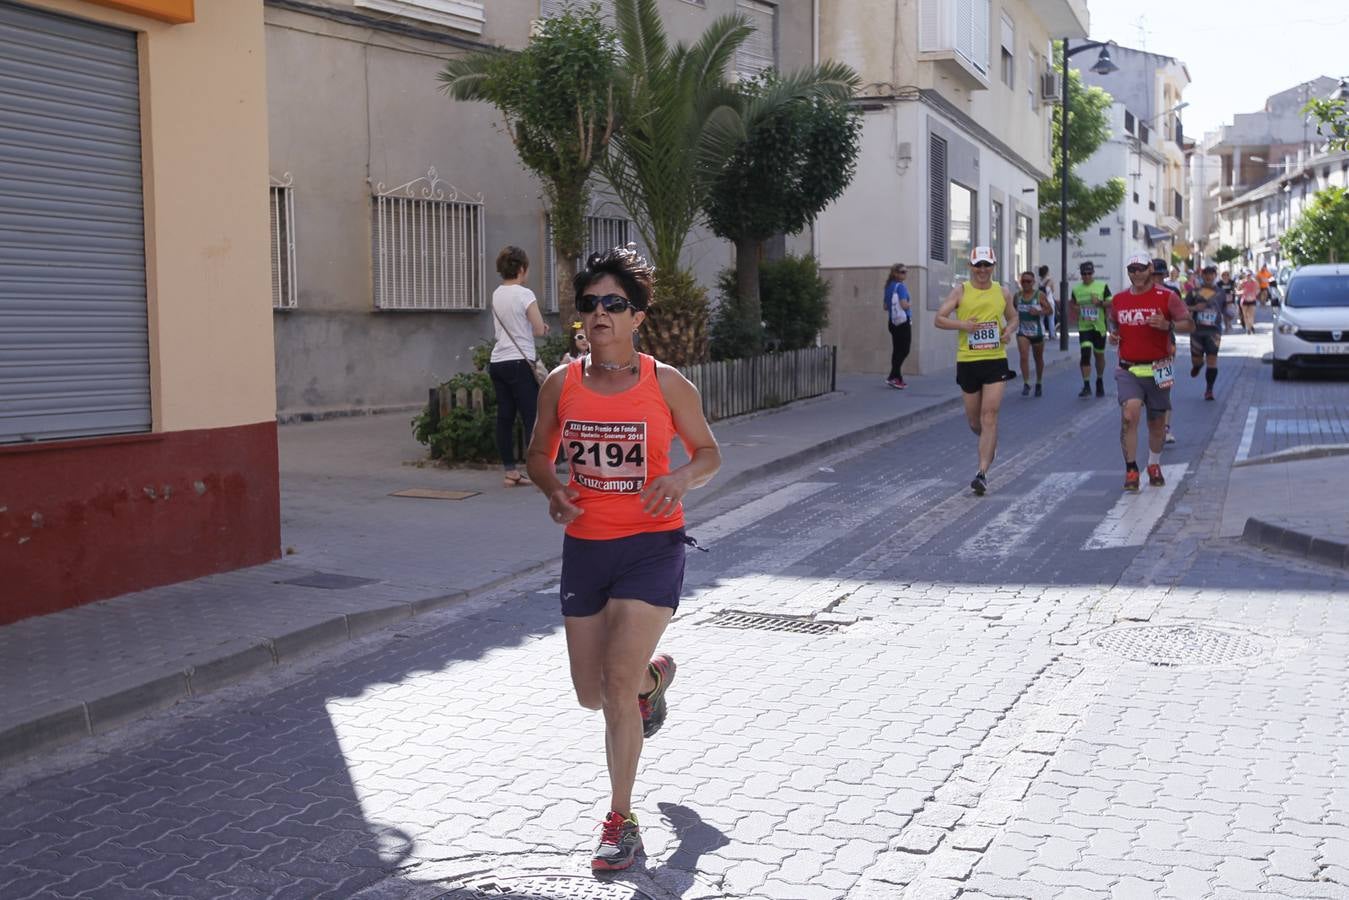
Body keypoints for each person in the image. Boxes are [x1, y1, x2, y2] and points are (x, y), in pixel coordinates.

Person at [525, 247, 721, 873]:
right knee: (593, 691)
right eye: (589, 304)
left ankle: (621, 819)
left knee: (613, 682)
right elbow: (536, 453)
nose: (599, 314)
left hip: (650, 547)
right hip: (585, 549)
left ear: (638, 316)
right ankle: (652, 681)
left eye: (614, 304)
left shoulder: (665, 383)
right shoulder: (563, 383)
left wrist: (682, 479)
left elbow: (709, 452)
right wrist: (554, 489)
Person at [935, 246, 1018, 496]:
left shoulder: (1003, 292)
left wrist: (1008, 330)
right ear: (970, 267)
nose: (983, 270)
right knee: (975, 421)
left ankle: (982, 473)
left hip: (995, 359)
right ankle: (989, 441)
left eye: (987, 265)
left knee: (989, 414)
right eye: (978, 265)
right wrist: (963, 325)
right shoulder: (961, 290)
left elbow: (1013, 317)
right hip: (968, 361)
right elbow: (939, 319)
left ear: (994, 266)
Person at [1108, 253, 1194, 491]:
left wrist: (1169, 326)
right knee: (1130, 413)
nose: (1136, 274)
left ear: (1150, 270)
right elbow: (1113, 322)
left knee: (1157, 423)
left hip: (1160, 366)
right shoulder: (1119, 299)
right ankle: (1132, 469)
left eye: (1140, 269)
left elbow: (1189, 324)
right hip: (1129, 367)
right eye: (1131, 269)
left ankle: (1154, 464)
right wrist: (1113, 335)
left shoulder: (1167, 297)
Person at [489, 245, 549, 487]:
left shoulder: (496, 294)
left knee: (505, 416)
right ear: (522, 269)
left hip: (498, 362)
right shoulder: (525, 295)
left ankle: (510, 471)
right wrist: (543, 328)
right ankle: (537, 470)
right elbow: (537, 328)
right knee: (531, 416)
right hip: (519, 361)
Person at [1185, 264, 1230, 401]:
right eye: (1206, 274)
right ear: (1202, 276)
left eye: (1212, 274)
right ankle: (1197, 365)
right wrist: (1194, 307)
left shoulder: (1221, 293)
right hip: (1197, 331)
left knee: (1212, 359)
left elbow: (1227, 308)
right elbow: (1182, 307)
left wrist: (1230, 316)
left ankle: (1209, 390)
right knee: (1197, 360)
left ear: (1215, 276)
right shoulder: (1194, 292)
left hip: (1214, 331)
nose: (1209, 277)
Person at [1070, 260, 1112, 398]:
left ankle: (1099, 380)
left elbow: (1111, 302)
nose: (1087, 276)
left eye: (1089, 273)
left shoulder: (1102, 286)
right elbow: (1073, 304)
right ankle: (1087, 385)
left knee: (1099, 355)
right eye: (1084, 274)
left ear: (1093, 273)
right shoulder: (1076, 289)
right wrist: (1077, 309)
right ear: (1081, 275)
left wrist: (1099, 303)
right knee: (1085, 353)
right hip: (1084, 327)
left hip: (1099, 327)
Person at [1151, 259, 1181, 445]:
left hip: (1165, 345)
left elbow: (1183, 319)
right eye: (1154, 275)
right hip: (1141, 350)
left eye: (1161, 275)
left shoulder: (1172, 293)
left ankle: (1166, 429)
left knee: (1164, 387)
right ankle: (1155, 425)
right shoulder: (1138, 293)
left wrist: (1168, 323)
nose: (1158, 279)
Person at [1014, 270, 1053, 397]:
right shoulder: (1017, 296)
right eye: (1023, 281)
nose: (1025, 284)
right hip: (1022, 331)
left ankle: (1039, 382)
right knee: (1024, 356)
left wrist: (1039, 312)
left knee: (1038, 358)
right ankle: (1026, 383)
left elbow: (1050, 310)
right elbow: (1014, 310)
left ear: (1033, 283)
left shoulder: (1039, 295)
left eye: (1028, 281)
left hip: (1037, 332)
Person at [884, 263, 912, 389]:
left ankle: (897, 378)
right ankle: (892, 376)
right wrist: (910, 304)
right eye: (902, 272)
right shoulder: (901, 287)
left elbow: (885, 306)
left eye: (906, 271)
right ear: (895, 273)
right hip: (903, 322)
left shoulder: (889, 286)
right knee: (904, 350)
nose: (905, 274)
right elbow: (904, 304)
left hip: (892, 322)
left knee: (897, 350)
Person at [1037, 264, 1057, 342]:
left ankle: (1042, 334)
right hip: (1050, 302)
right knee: (1051, 319)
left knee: (1041, 319)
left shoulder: (1040, 282)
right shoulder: (1050, 280)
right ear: (1047, 272)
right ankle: (1052, 335)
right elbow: (1053, 290)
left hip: (1041, 302)